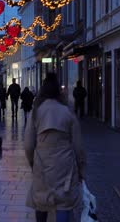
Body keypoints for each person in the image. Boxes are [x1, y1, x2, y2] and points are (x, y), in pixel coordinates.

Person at [24, 73, 86, 222]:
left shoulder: (36, 112)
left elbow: (28, 144)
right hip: (65, 163)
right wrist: (81, 168)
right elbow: (78, 146)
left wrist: (32, 162)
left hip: (42, 162)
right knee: (63, 202)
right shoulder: (67, 111)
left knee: (41, 200)